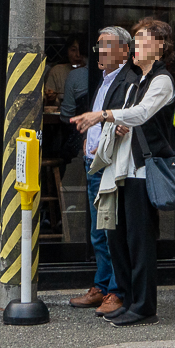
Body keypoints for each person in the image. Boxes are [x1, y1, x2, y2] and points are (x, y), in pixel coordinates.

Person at [74, 19, 175, 327]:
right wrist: (117, 125)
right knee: (120, 239)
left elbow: (141, 113)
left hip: (144, 170)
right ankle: (129, 300)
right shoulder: (137, 81)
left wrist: (104, 115)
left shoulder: (162, 80)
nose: (136, 46)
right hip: (123, 170)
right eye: (135, 39)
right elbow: (128, 119)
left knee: (140, 242)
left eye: (143, 39)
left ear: (160, 46)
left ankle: (144, 307)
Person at [67, 27, 133, 316]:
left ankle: (116, 291)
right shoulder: (104, 80)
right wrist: (87, 140)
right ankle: (102, 286)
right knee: (98, 232)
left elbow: (128, 120)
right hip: (93, 161)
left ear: (125, 51)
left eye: (107, 46)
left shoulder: (129, 81)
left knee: (111, 231)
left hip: (110, 164)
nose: (100, 52)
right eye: (99, 46)